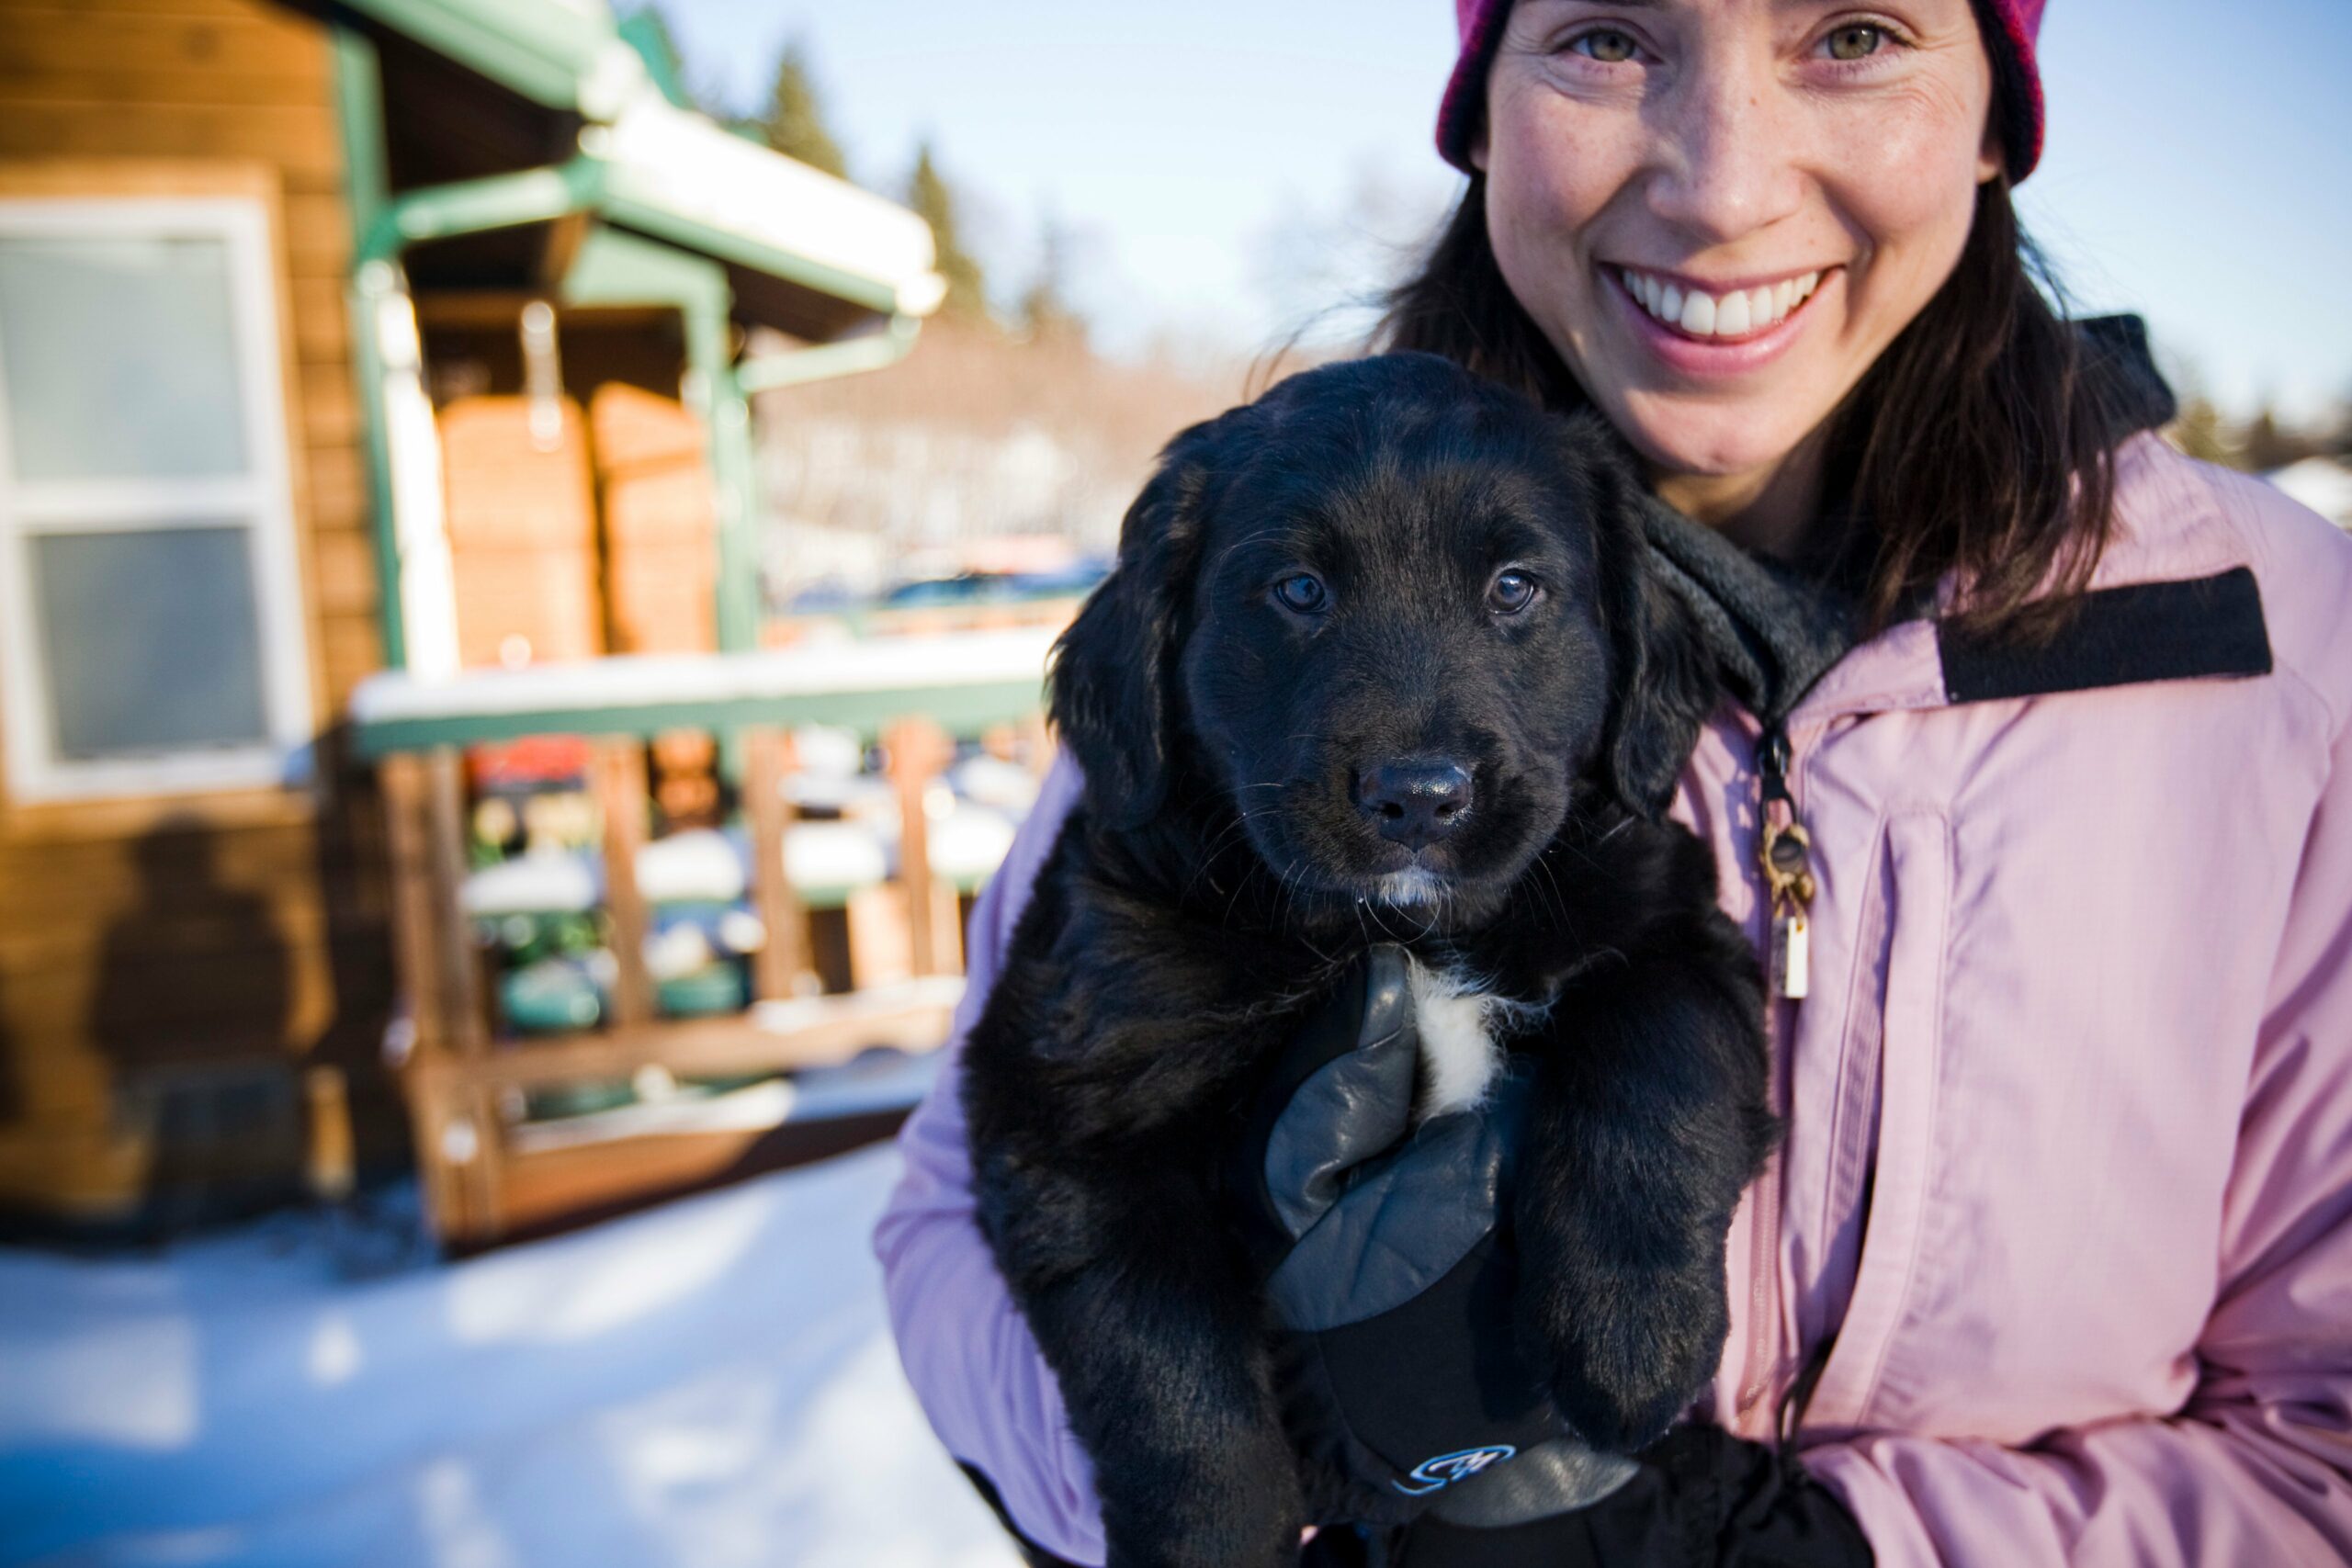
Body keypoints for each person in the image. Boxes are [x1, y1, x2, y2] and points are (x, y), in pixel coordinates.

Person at [876, 0, 2352, 1562]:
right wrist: (1279, 1465)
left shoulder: (2284, 645)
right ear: (1479, 113)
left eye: (1852, 33)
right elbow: (957, 1226)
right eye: (1603, 36)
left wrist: (1766, 1552)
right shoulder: (1238, 575)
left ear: (1998, 115)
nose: (1722, 186)